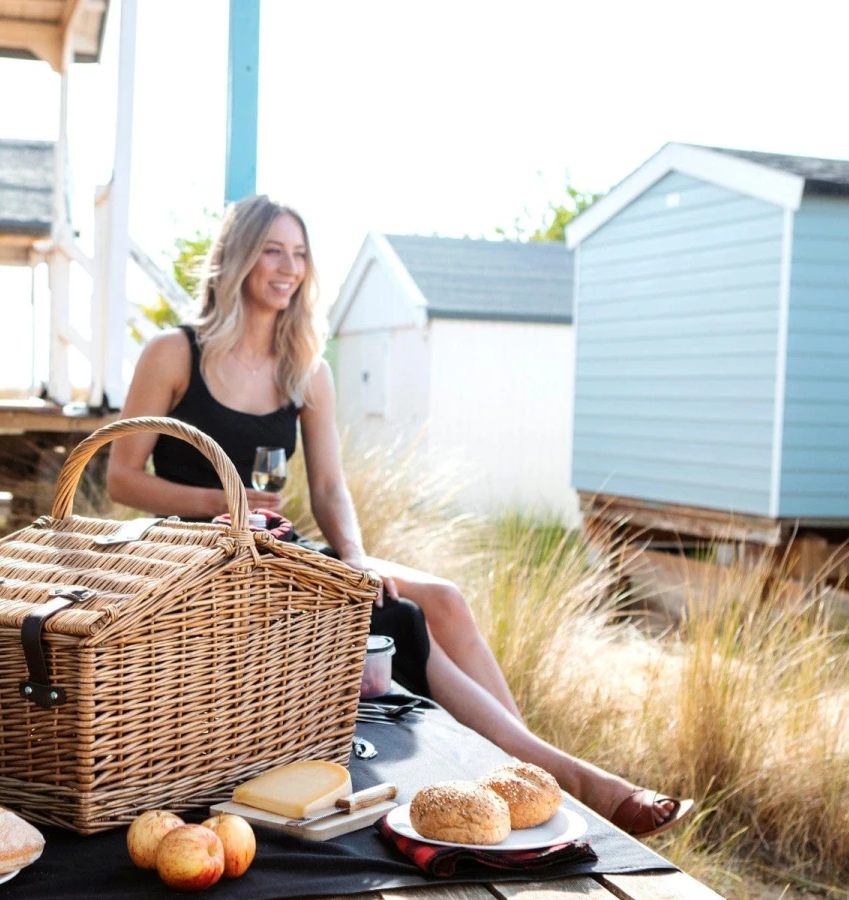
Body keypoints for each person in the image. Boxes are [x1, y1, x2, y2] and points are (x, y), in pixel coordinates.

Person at [106, 195, 692, 837]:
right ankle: (569, 779)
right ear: (239, 258)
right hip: (196, 556)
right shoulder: (175, 353)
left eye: (299, 254)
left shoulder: (305, 369)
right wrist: (220, 501)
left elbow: (329, 487)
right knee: (399, 615)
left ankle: (529, 780)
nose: (289, 267)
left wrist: (355, 557)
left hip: (274, 548)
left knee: (442, 597)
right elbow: (121, 478)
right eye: (272, 251)